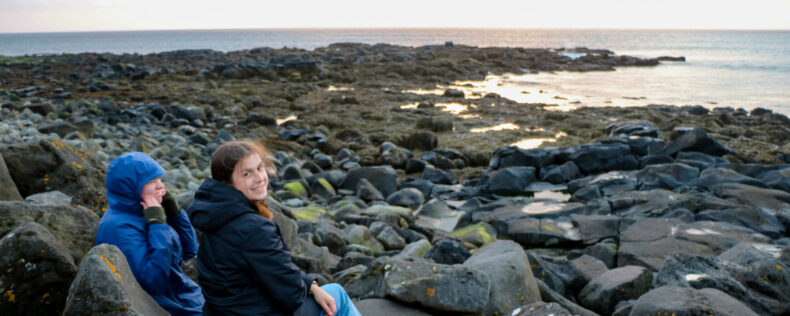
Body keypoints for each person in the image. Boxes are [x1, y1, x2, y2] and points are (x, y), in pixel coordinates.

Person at [188, 140, 361, 316]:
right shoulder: (253, 228)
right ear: (228, 183)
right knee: (337, 294)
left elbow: (273, 271)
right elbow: (291, 293)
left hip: (224, 310)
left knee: (326, 292)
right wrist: (308, 288)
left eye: (260, 168)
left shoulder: (214, 214)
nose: (259, 178)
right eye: (247, 174)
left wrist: (311, 285)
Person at [96, 152, 204, 315]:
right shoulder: (118, 227)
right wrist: (158, 227)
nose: (161, 186)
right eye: (152, 182)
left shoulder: (148, 211)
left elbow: (189, 250)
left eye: (160, 179)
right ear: (130, 187)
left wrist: (175, 213)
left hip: (184, 294)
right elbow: (153, 283)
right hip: (168, 306)